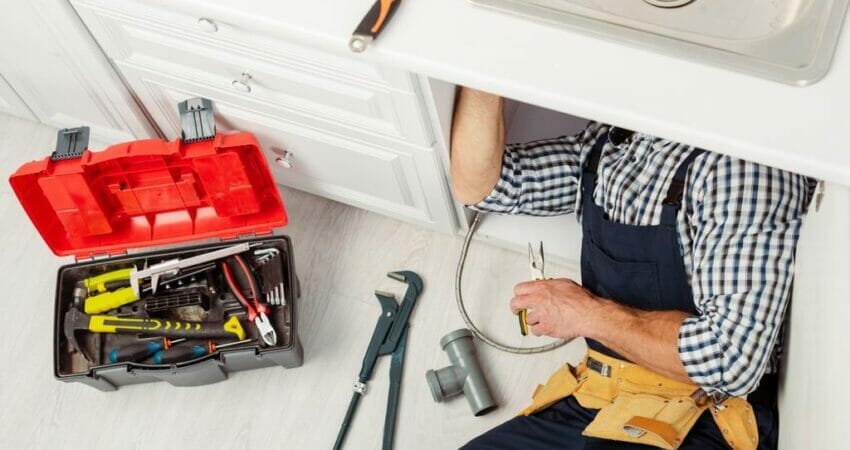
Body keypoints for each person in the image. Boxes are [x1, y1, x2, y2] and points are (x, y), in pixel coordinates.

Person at [450, 87, 815, 450]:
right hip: (599, 395)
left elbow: (729, 360)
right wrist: (485, 76)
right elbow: (481, 188)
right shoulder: (614, 142)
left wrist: (584, 313)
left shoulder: (741, 169)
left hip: (700, 414)